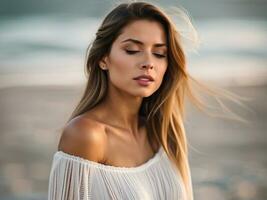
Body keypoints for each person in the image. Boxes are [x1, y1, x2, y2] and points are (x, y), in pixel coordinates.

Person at [48, 1, 199, 199]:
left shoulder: (164, 130)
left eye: (159, 53)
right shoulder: (86, 135)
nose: (148, 63)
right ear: (103, 58)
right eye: (132, 50)